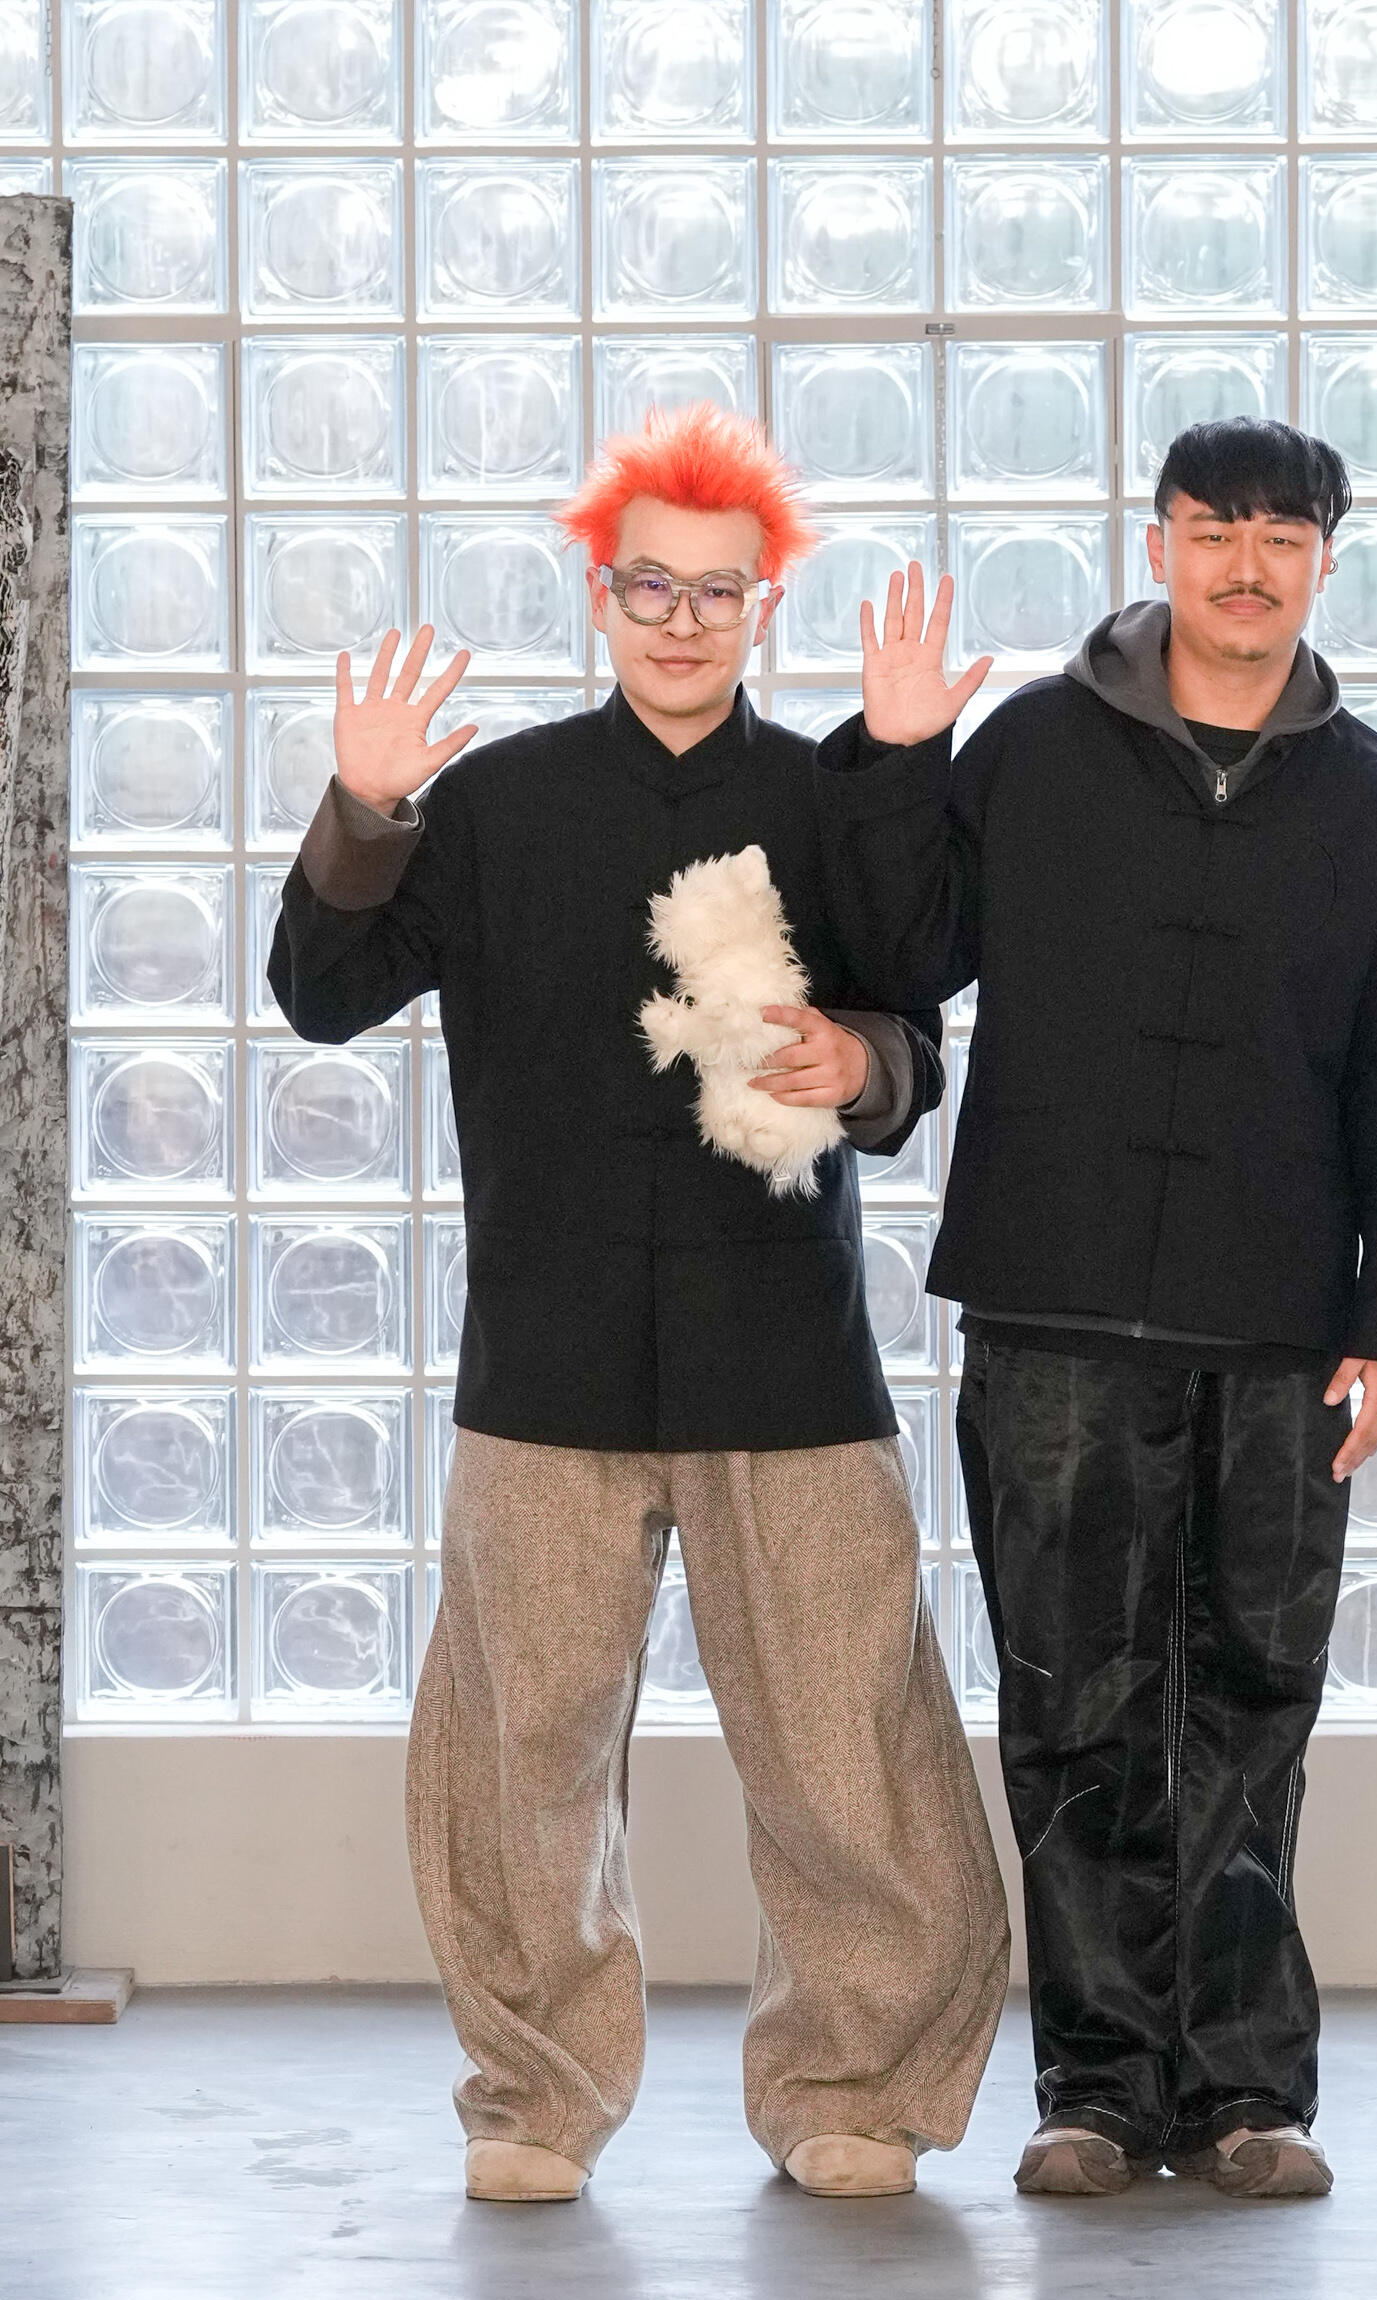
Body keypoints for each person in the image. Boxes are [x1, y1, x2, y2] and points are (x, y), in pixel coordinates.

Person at [270, 403, 1009, 2205]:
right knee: (520, 1752)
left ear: (764, 607)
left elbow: (917, 1008)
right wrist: (364, 808)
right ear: (599, 596)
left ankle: (854, 2082)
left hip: (789, 1352)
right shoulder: (494, 802)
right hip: (547, 1351)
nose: (682, 621)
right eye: (649, 588)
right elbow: (321, 992)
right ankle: (534, 2100)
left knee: (847, 1741)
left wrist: (868, 1051)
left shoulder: (827, 797)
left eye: (718, 592)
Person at [816, 418, 1377, 2200]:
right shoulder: (1036, 746)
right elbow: (901, 952)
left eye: (1284, 536)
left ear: (1322, 561)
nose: (1247, 565)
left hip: (1283, 1325)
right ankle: (1096, 2089)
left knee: (1257, 1704)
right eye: (1215, 528)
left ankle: (1248, 2091)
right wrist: (896, 752)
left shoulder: (1375, 795)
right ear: (1160, 540)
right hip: (1055, 1310)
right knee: (1072, 1700)